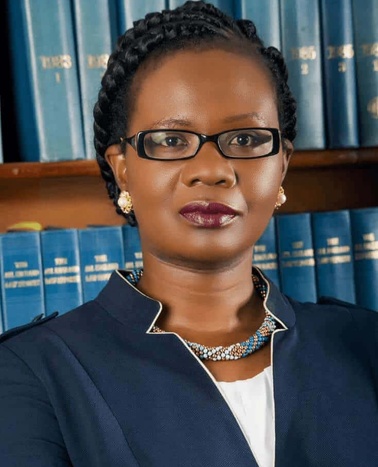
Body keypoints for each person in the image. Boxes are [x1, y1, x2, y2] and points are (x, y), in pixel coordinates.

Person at [0, 1, 377, 466]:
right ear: (122, 169)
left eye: (246, 139)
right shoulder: (31, 372)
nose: (212, 170)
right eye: (172, 141)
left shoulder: (366, 345)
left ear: (281, 165)